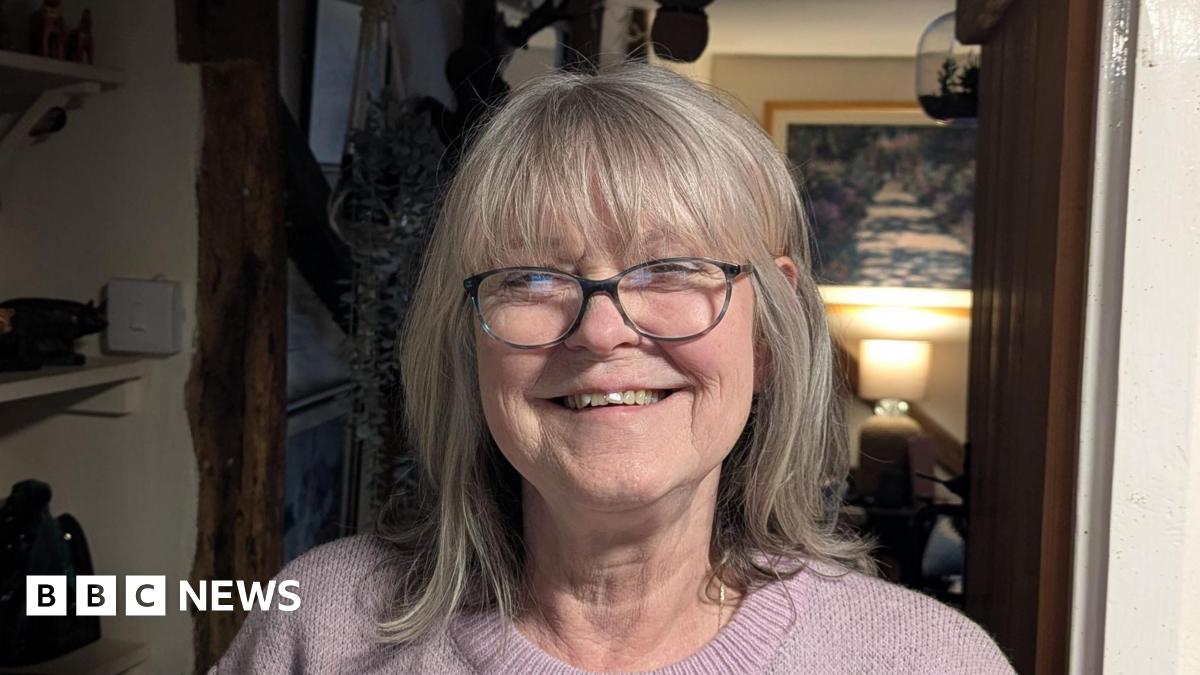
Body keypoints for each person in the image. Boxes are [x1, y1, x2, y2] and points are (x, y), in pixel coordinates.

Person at [213, 62, 1014, 674]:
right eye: (531, 278)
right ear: (470, 342)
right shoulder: (318, 628)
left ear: (767, 333)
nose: (599, 332)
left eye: (670, 269)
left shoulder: (927, 659)